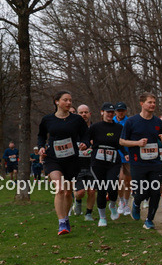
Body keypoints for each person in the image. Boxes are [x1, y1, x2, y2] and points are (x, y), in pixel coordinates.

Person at [37, 91, 89, 236]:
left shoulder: (77, 120)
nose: (69, 103)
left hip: (71, 160)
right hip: (53, 158)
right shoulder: (47, 119)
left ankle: (65, 218)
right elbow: (41, 135)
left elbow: (85, 134)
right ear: (56, 102)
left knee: (68, 193)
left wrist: (85, 143)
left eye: (70, 100)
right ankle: (61, 223)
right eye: (65, 100)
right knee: (59, 189)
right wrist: (41, 146)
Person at [119, 93, 162, 230]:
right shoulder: (132, 122)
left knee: (155, 192)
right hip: (137, 163)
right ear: (142, 104)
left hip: (155, 163)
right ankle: (136, 203)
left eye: (154, 102)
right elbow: (122, 141)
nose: (152, 105)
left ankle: (149, 220)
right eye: (149, 102)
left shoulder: (158, 122)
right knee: (142, 193)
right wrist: (137, 143)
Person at [89, 102, 124, 227]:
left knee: (112, 185)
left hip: (113, 160)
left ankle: (113, 205)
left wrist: (125, 153)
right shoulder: (95, 127)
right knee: (102, 189)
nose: (110, 114)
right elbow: (86, 139)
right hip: (98, 161)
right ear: (102, 112)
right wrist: (85, 145)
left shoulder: (119, 128)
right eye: (107, 112)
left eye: (111, 112)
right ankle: (102, 217)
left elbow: (121, 143)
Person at [72, 104, 97, 221]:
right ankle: (77, 201)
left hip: (91, 165)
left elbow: (99, 145)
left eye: (86, 112)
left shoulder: (95, 129)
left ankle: (88, 214)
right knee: (80, 192)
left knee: (92, 191)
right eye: (81, 113)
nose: (83, 115)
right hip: (77, 166)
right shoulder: (73, 130)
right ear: (77, 114)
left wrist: (91, 148)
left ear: (89, 114)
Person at [113, 102, 132, 218]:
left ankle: (125, 203)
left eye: (122, 110)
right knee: (120, 180)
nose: (120, 112)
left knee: (128, 181)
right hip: (115, 155)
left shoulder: (129, 121)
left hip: (127, 154)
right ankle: (121, 201)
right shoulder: (112, 121)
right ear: (115, 111)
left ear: (125, 111)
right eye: (118, 110)